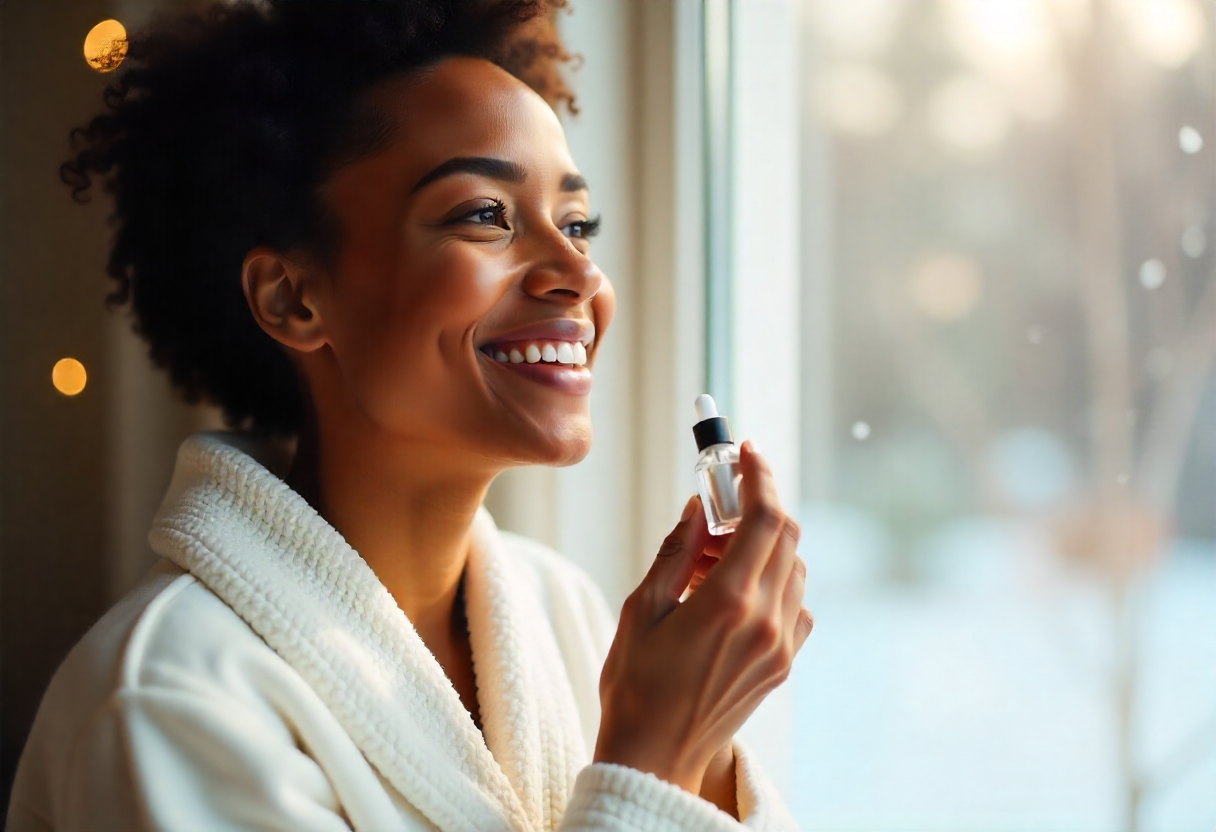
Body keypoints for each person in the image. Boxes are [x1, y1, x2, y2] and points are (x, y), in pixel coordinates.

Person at [7, 1, 812, 829]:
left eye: (576, 223)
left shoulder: (564, 613)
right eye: (485, 215)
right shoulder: (170, 699)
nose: (577, 271)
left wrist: (704, 741)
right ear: (293, 297)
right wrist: (655, 753)